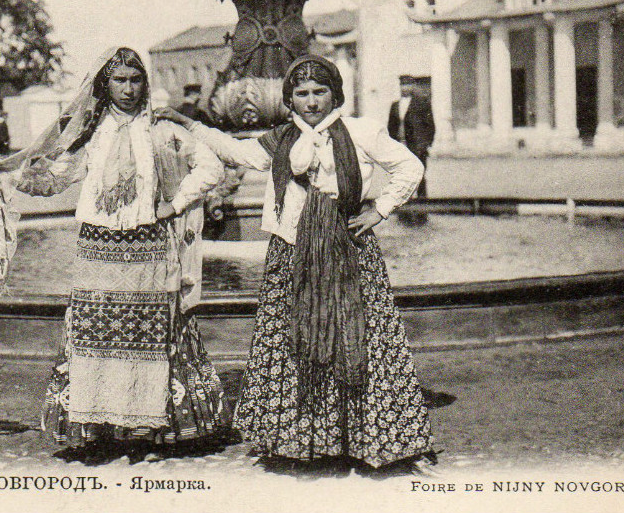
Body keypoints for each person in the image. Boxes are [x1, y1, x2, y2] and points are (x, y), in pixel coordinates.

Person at [155, 55, 434, 470]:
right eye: (301, 94)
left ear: (334, 93)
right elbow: (236, 153)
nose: (311, 101)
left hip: (348, 247)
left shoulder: (360, 131)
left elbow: (409, 165)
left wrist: (380, 209)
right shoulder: (281, 138)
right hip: (291, 249)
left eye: (319, 91)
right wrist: (187, 122)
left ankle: (363, 437)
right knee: (295, 336)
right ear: (289, 99)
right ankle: (304, 439)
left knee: (356, 334)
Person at [0, 47, 230, 456]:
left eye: (135, 80)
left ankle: (150, 429)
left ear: (145, 84)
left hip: (148, 246)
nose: (128, 89)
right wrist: (6, 171)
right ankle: (102, 427)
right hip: (98, 246)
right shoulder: (91, 133)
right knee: (97, 334)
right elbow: (55, 180)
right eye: (119, 81)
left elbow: (211, 167)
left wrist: (175, 203)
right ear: (105, 85)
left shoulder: (161, 130)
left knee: (150, 335)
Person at [387, 75, 435, 223]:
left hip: (417, 148)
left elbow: (430, 126)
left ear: (412, 86)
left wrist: (425, 144)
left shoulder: (421, 103)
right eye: (402, 85)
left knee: (419, 179)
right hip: (401, 148)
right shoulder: (395, 105)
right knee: (401, 179)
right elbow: (391, 127)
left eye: (408, 84)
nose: (405, 88)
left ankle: (422, 214)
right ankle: (404, 213)